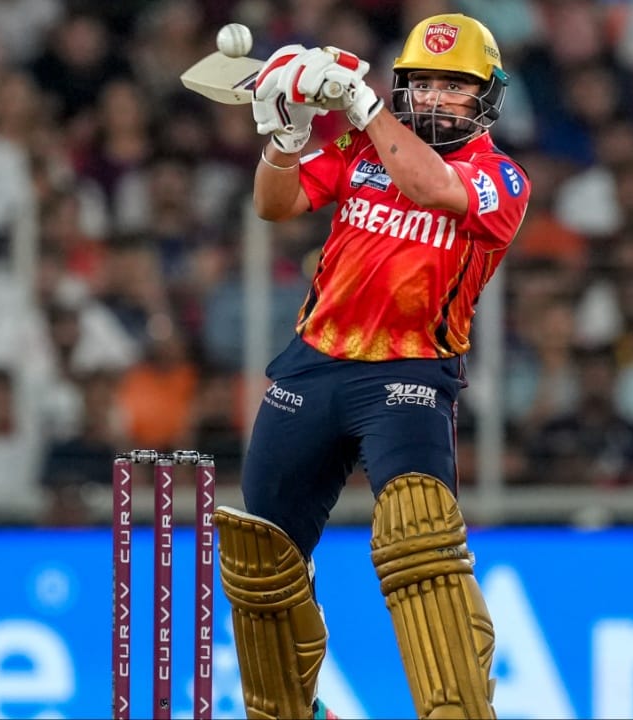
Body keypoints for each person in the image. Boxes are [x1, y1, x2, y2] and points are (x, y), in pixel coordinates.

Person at [212, 14, 529, 720]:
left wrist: (362, 103)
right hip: (312, 366)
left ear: (486, 97)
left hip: (408, 377)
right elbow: (274, 204)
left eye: (455, 85)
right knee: (262, 559)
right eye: (425, 83)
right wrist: (286, 138)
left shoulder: (501, 177)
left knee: (420, 537)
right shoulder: (361, 148)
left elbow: (434, 188)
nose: (437, 97)